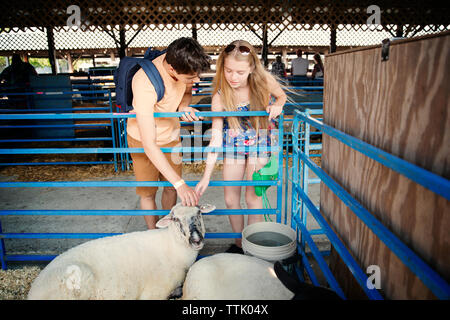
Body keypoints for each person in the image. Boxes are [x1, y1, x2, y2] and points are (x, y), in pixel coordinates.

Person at [194, 40, 286, 254]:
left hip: (261, 141)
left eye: (239, 72)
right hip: (232, 145)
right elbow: (216, 137)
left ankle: (254, 244)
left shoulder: (264, 82)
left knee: (252, 196)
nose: (233, 77)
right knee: (230, 198)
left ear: (252, 68)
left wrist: (278, 104)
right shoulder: (219, 95)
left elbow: (282, 95)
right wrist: (206, 175)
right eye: (228, 71)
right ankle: (239, 244)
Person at [127, 37, 211, 229]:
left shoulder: (184, 64)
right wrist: (181, 183)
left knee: (171, 188)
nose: (196, 80)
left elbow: (187, 90)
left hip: (171, 136)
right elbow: (149, 143)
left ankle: (170, 228)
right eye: (191, 77)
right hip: (142, 139)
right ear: (172, 69)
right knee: (148, 191)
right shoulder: (144, 82)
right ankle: (153, 232)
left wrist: (183, 106)